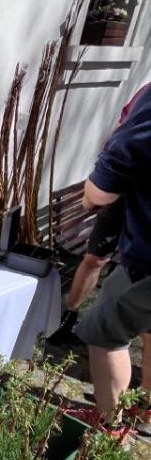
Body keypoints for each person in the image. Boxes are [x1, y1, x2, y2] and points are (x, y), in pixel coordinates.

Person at [73, 83, 151, 435]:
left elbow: (101, 190)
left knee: (104, 333)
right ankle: (146, 416)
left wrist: (91, 197)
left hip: (146, 262)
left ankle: (110, 428)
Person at [49, 84, 150, 345]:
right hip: (122, 192)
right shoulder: (146, 93)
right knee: (95, 258)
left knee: (115, 330)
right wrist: (102, 184)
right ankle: (69, 315)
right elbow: (121, 135)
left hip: (144, 214)